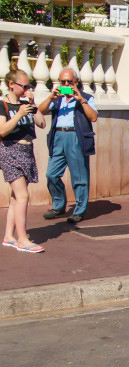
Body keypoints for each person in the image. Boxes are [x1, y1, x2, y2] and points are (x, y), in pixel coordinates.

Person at [38, 67, 96, 224]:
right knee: (51, 174)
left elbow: (93, 117)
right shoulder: (57, 99)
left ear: (76, 82)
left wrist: (81, 100)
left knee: (79, 176)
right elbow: (40, 111)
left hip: (75, 137)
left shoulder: (86, 97)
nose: (65, 84)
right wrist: (51, 97)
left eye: (69, 81)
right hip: (58, 137)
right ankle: (58, 205)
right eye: (62, 81)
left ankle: (79, 210)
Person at [0, 70, 45, 253]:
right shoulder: (3, 105)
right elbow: (2, 131)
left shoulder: (27, 104)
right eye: (23, 86)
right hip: (10, 150)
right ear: (12, 84)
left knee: (15, 197)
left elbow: (42, 123)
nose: (26, 89)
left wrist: (33, 104)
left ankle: (9, 236)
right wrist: (18, 114)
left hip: (27, 150)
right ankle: (22, 239)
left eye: (28, 86)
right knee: (23, 196)